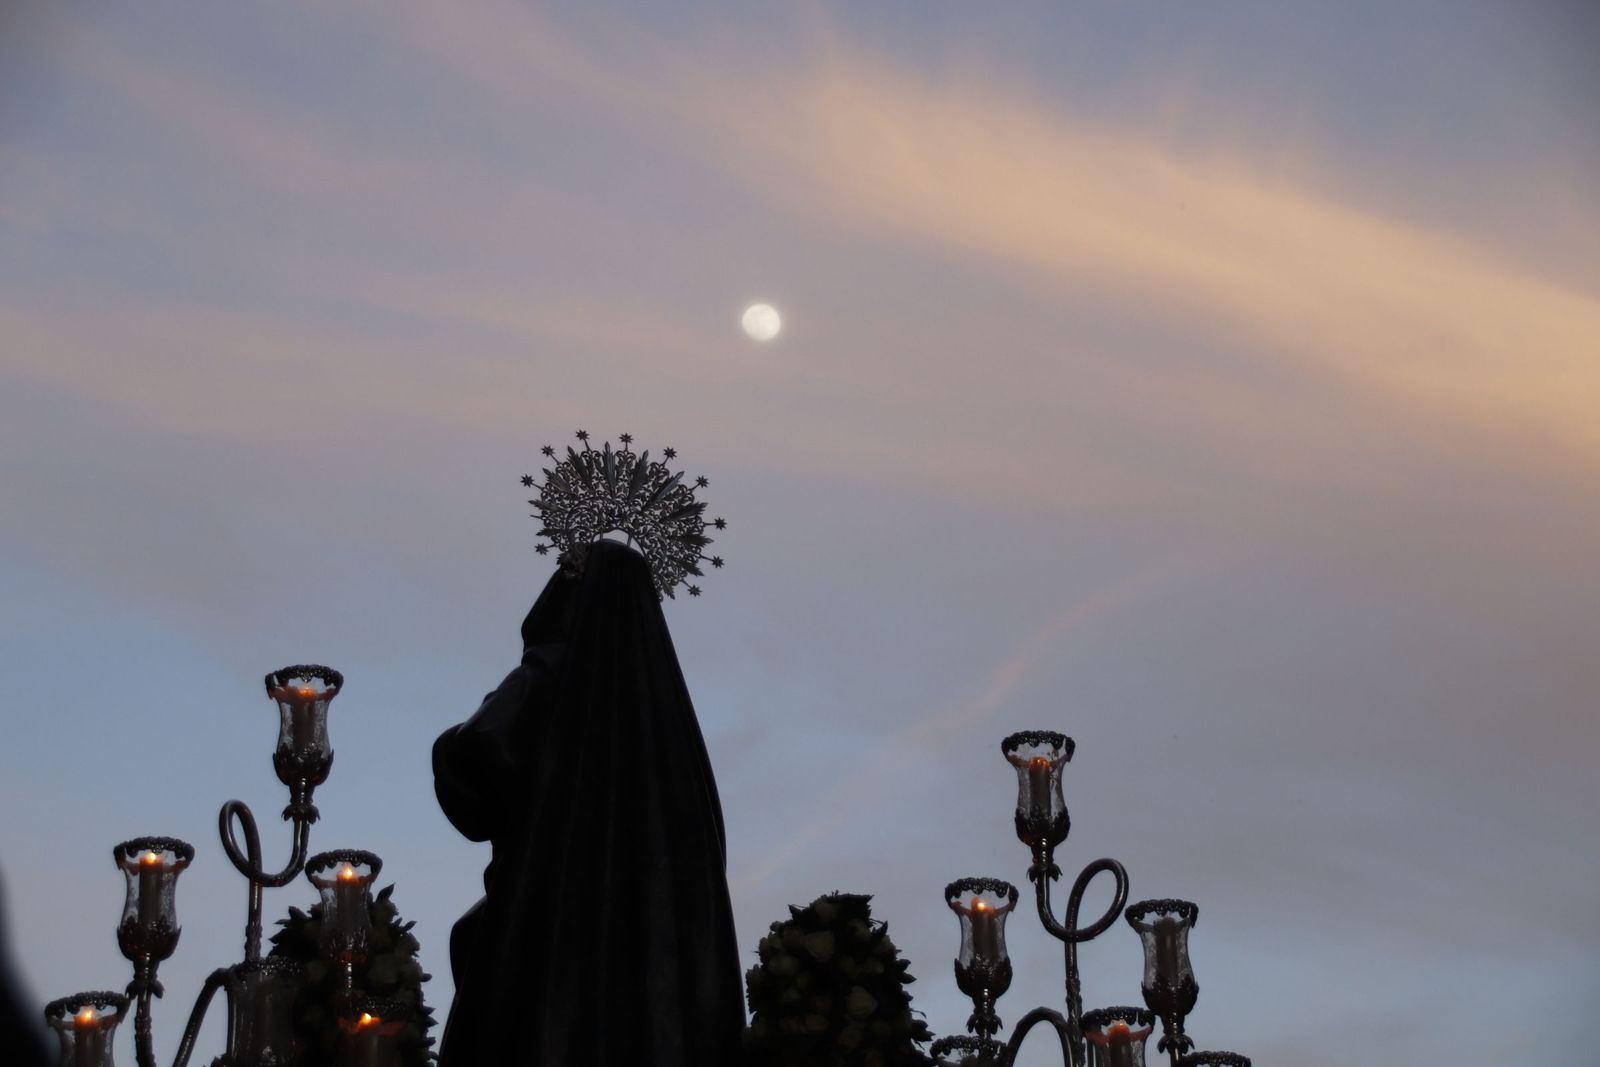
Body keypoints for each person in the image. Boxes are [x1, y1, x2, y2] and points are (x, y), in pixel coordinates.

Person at [432, 539, 745, 1066]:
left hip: (552, 924)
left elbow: (479, 753)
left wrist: (448, 744)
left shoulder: (549, 674)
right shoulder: (672, 723)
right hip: (649, 957)